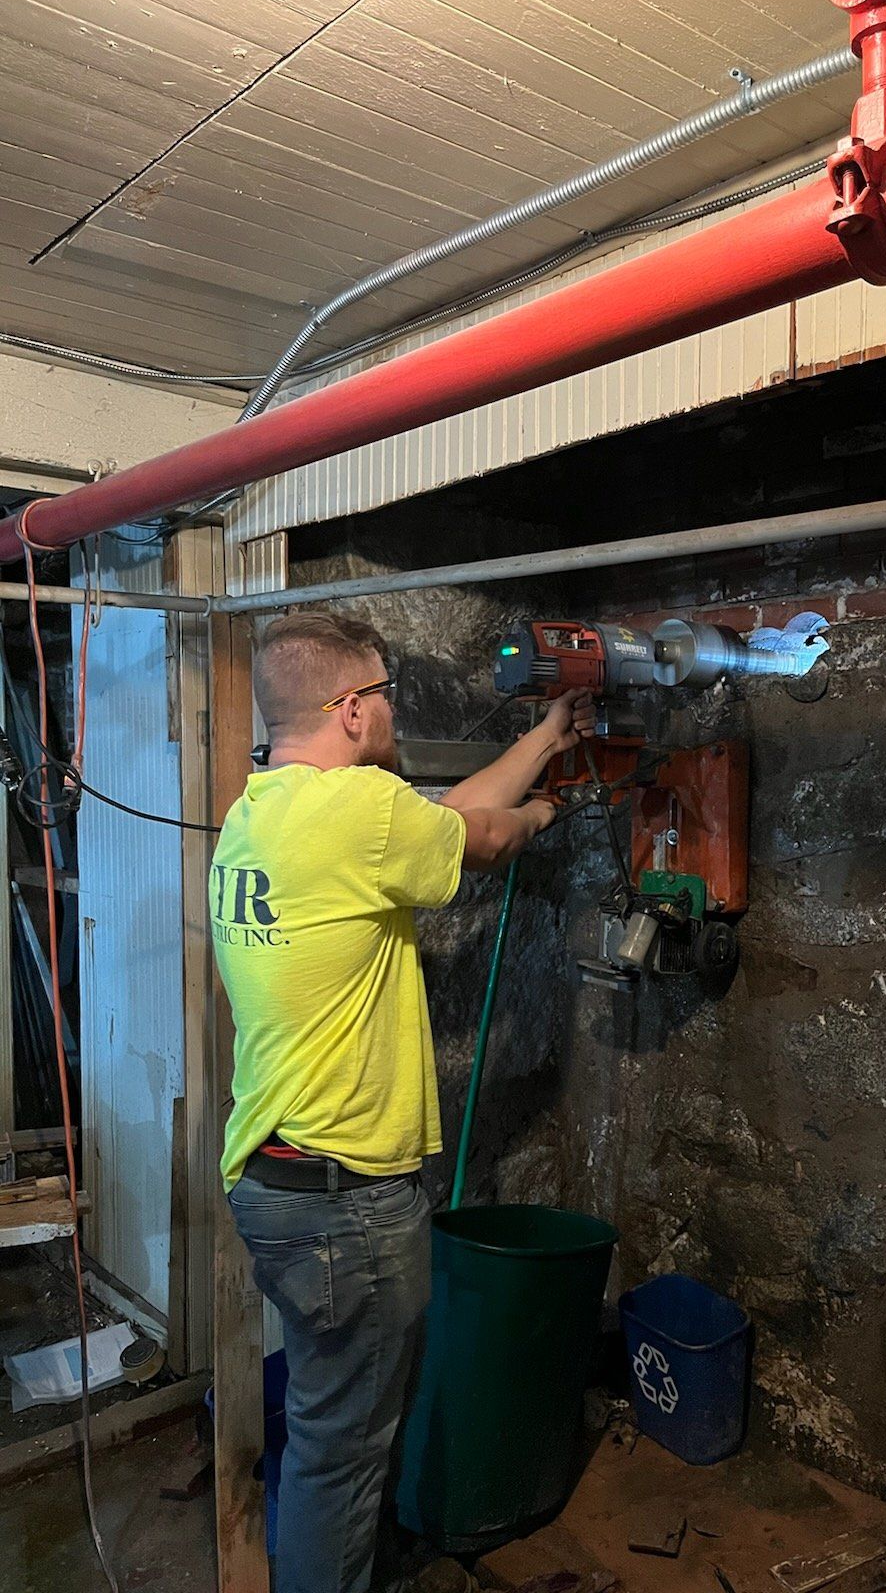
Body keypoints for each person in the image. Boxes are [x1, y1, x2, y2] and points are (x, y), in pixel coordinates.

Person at [210, 610, 595, 1593]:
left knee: (325, 1433)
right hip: (349, 1208)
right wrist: (552, 810)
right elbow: (486, 836)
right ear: (348, 709)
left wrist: (546, 737)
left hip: (276, 1184)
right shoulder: (359, 814)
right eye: (382, 693)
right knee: (343, 1459)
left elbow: (447, 819)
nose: (391, 710)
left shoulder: (264, 814)